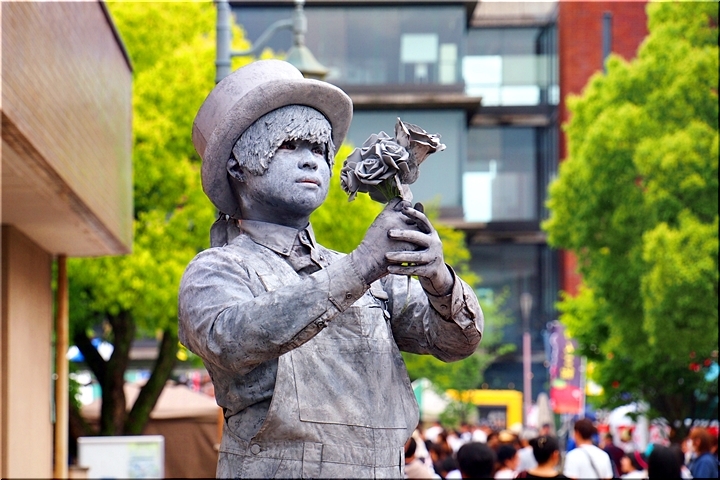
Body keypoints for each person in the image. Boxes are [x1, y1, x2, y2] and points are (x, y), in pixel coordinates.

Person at [178, 59, 484, 478]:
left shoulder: (371, 275)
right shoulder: (218, 269)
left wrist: (438, 278)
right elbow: (231, 339)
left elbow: (457, 343)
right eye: (290, 145)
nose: (312, 162)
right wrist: (361, 267)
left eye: (321, 150)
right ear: (237, 165)